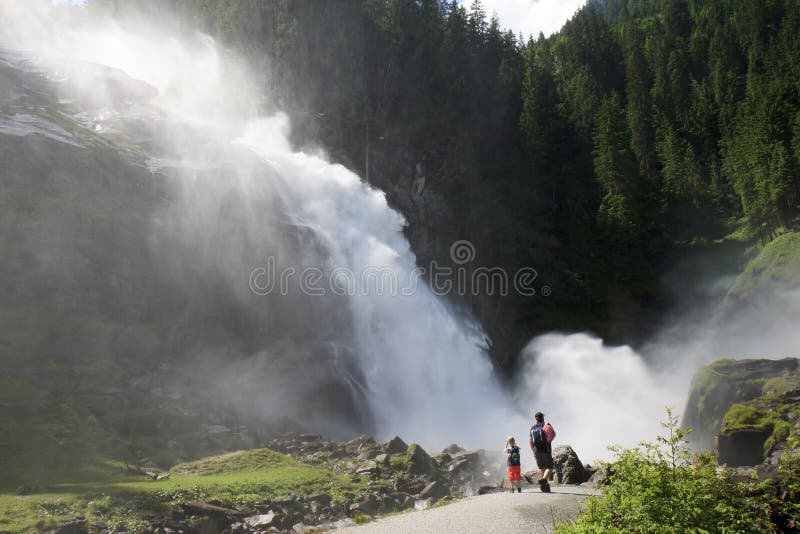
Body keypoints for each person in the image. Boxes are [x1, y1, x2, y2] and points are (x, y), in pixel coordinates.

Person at [529, 411, 553, 493]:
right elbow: (553, 434)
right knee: (550, 468)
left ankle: (545, 487)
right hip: (546, 450)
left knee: (542, 468)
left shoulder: (532, 428)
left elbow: (531, 441)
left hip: (536, 451)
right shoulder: (546, 425)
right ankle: (544, 480)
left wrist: (533, 451)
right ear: (542, 417)